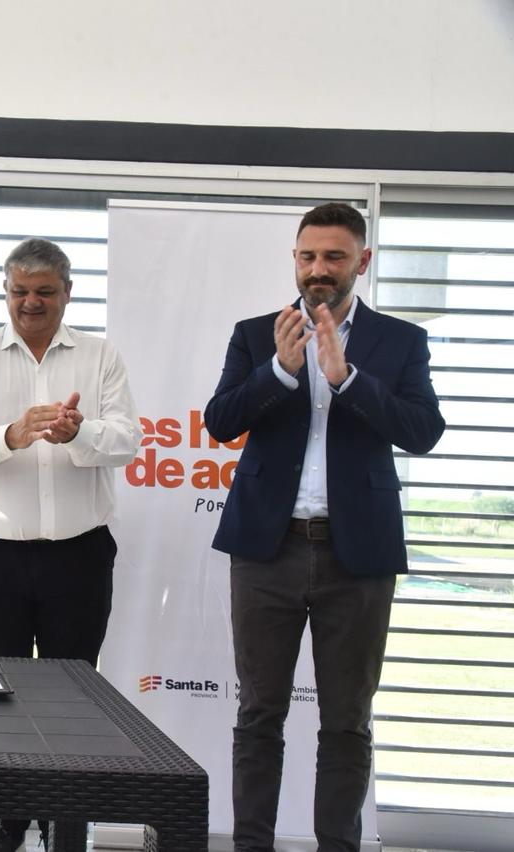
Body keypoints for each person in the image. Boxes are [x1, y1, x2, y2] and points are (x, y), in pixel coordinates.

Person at [204, 202, 445, 852]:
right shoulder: (257, 333)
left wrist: (348, 380)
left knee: (347, 721)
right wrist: (279, 372)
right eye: (307, 256)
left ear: (361, 261)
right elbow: (221, 421)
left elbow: (422, 431)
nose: (318, 269)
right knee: (259, 714)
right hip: (266, 550)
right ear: (295, 258)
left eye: (333, 257)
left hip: (357, 555)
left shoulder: (400, 341)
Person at [0, 237, 141, 852]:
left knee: (72, 701)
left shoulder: (101, 356)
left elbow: (126, 441)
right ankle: (5, 826)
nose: (31, 302)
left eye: (44, 292)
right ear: (5, 292)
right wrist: (10, 435)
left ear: (67, 294)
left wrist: (79, 433)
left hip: (79, 555)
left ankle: (64, 828)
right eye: (20, 291)